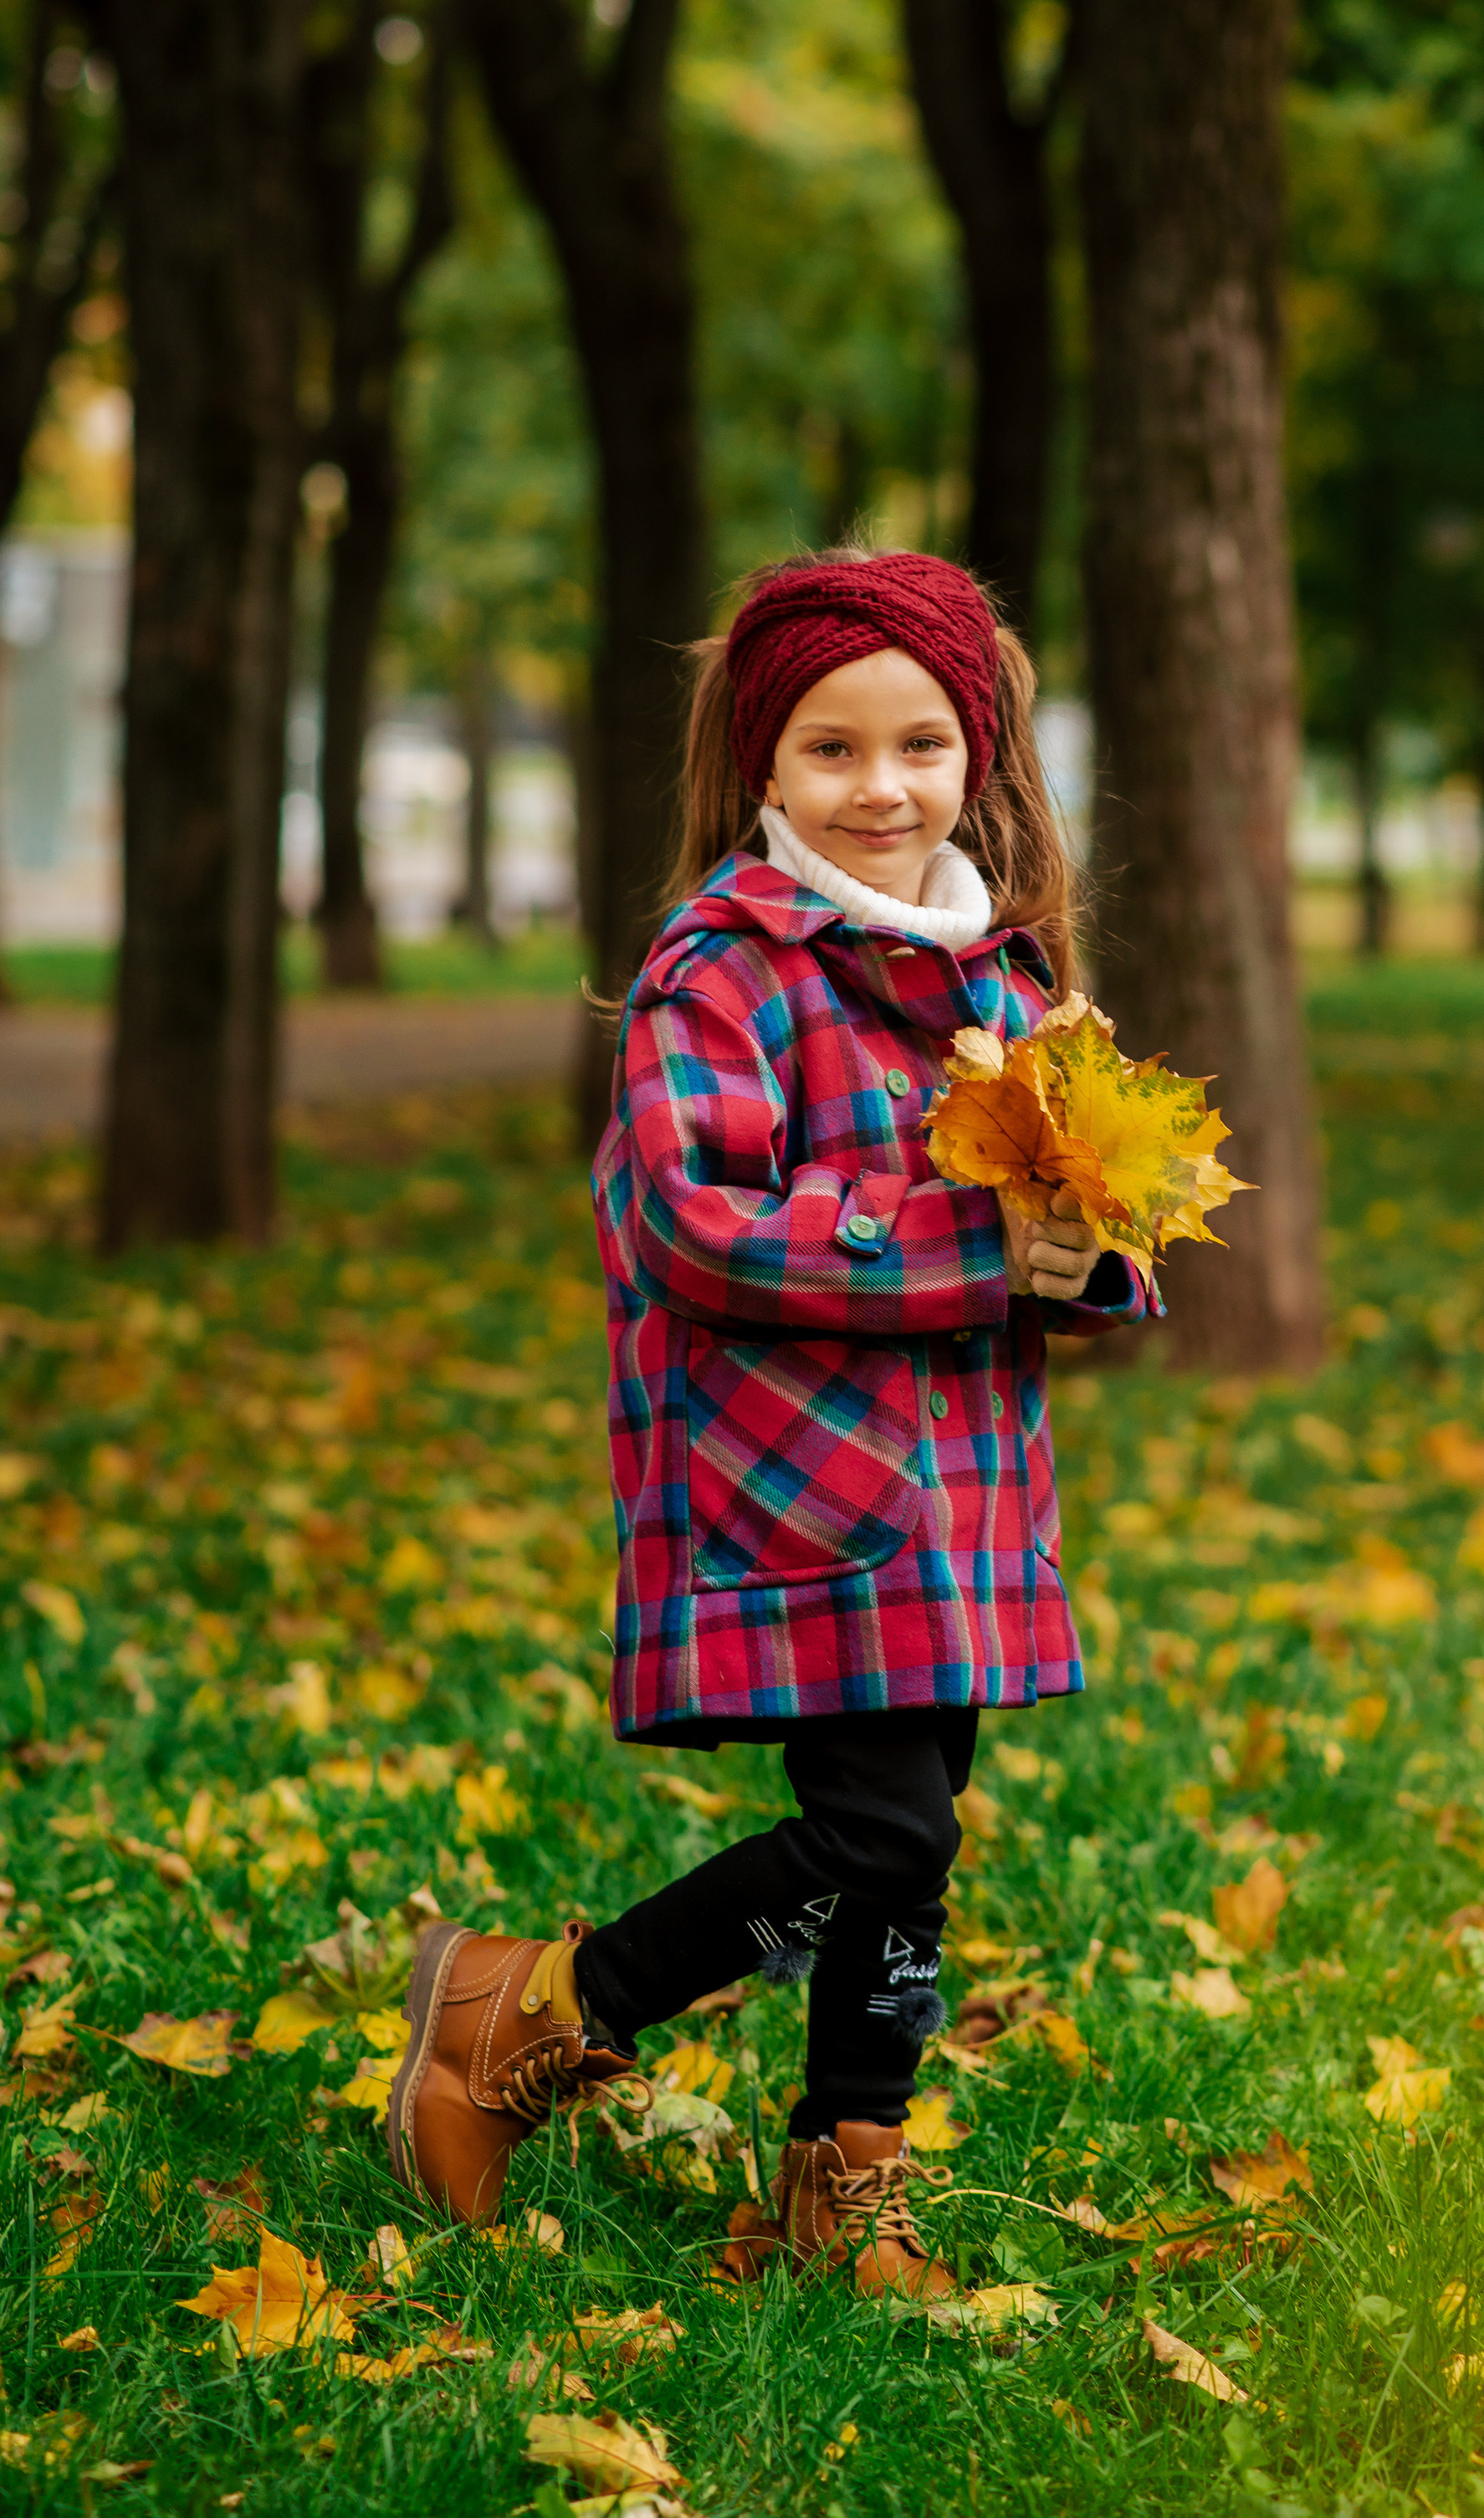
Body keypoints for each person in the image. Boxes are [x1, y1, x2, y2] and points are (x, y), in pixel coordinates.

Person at [386, 549, 1159, 2291]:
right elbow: (691, 1221)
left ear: (979, 755)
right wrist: (970, 1243)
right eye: (829, 749)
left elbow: (1068, 1205)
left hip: (956, 1486)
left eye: (918, 746)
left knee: (914, 1848)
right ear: (760, 763)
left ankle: (839, 2178)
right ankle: (531, 2007)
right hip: (797, 1478)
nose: (879, 788)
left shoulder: (999, 972)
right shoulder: (717, 971)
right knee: (880, 1830)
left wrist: (1084, 1259)